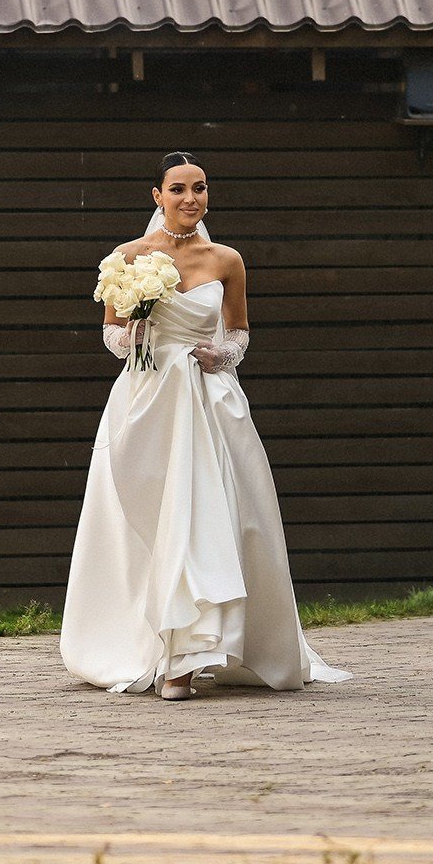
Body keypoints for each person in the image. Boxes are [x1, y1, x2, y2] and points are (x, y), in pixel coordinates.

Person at [60, 153, 349, 701]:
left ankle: (190, 658)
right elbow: (112, 336)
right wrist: (135, 335)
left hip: (209, 401)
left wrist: (221, 356)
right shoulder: (127, 258)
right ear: (157, 196)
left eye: (200, 188)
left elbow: (239, 334)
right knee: (150, 513)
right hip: (148, 401)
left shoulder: (227, 260)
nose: (190, 198)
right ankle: (156, 642)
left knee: (211, 518)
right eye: (178, 189)